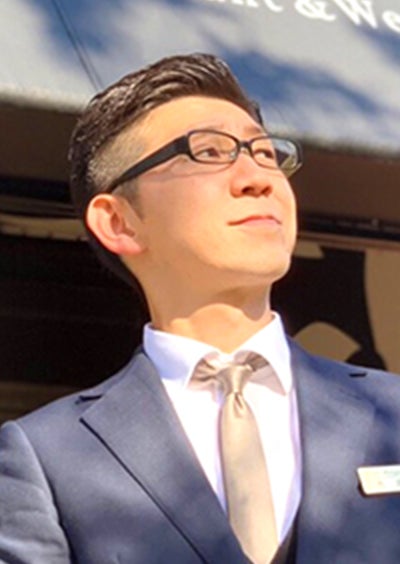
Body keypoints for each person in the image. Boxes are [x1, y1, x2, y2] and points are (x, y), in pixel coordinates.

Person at [1, 53, 400, 564]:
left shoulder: (391, 411)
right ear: (118, 222)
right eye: (209, 151)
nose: (258, 178)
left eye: (265, 152)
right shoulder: (46, 458)